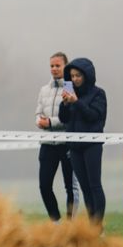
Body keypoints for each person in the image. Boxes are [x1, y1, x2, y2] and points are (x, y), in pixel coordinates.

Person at [58, 57, 107, 229]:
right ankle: (91, 224)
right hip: (74, 147)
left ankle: (98, 226)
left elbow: (94, 116)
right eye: (72, 76)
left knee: (95, 185)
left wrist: (77, 103)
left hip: (92, 145)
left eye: (78, 75)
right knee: (85, 187)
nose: (75, 79)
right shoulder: (71, 93)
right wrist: (64, 104)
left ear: (87, 75)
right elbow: (63, 119)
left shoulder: (99, 94)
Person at [35, 52, 79, 223]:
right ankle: (57, 224)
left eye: (57, 66)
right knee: (44, 186)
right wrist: (39, 121)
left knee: (71, 187)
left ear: (65, 67)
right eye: (51, 66)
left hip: (67, 144)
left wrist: (50, 123)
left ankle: (71, 224)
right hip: (47, 144)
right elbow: (38, 113)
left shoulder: (70, 88)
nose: (54, 69)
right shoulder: (43, 90)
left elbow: (71, 117)